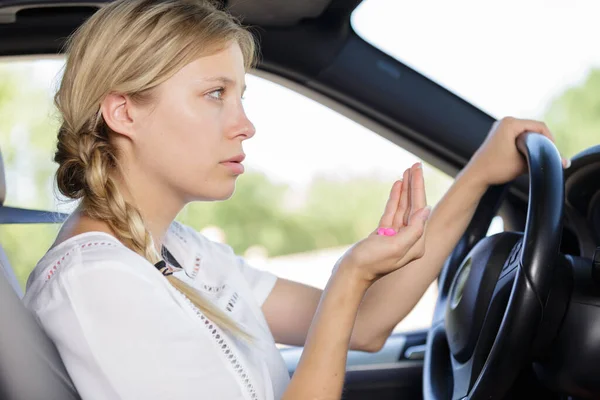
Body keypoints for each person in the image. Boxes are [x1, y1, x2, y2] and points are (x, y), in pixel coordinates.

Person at [22, 0, 569, 399]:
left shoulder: (179, 251)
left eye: (241, 96)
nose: (245, 126)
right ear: (124, 114)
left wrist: (475, 177)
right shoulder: (95, 283)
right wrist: (349, 275)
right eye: (215, 94)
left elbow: (366, 323)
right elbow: (350, 307)